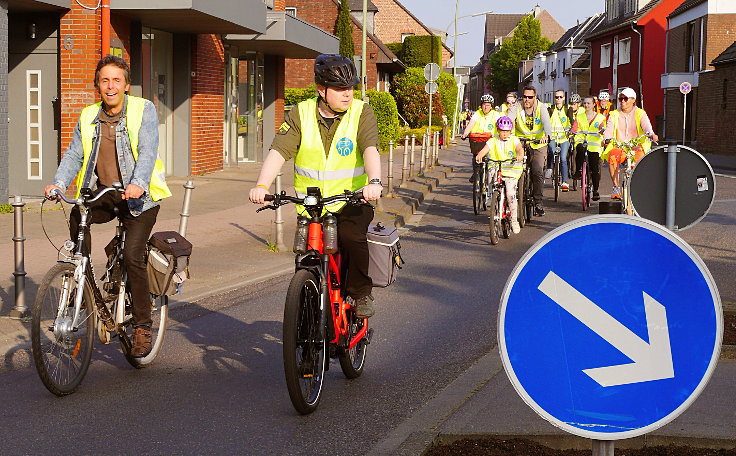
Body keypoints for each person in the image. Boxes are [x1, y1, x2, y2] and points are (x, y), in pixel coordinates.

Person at [44, 55, 171, 358]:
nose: (110, 86)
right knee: (78, 217)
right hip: (105, 192)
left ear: (126, 85)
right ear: (97, 86)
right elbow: (74, 154)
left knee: (132, 256)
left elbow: (149, 149)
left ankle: (142, 324)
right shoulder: (88, 115)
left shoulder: (144, 109)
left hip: (142, 197)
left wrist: (138, 181)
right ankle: (83, 278)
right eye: (104, 80)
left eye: (116, 80)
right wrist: (59, 184)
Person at [248, 54, 382, 318]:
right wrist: (261, 185)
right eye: (341, 88)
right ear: (322, 90)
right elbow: (279, 151)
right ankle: (309, 309)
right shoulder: (301, 113)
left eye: (351, 87)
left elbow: (370, 149)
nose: (348, 94)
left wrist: (374, 181)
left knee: (351, 237)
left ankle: (360, 293)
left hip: (352, 201)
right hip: (312, 206)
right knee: (306, 255)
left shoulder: (361, 111)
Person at [601, 87, 659, 200]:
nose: (622, 101)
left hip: (636, 146)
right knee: (612, 157)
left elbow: (647, 127)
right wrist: (606, 138)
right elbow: (609, 129)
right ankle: (616, 187)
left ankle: (638, 187)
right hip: (619, 145)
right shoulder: (614, 114)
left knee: (640, 163)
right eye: (620, 99)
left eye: (625, 98)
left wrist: (652, 135)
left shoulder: (640, 113)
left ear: (633, 100)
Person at [475, 116, 524, 233]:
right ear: (498, 130)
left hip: (511, 170)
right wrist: (480, 155)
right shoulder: (493, 140)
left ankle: (514, 220)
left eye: (507, 131)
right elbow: (485, 149)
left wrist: (520, 155)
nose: (505, 134)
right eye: (502, 131)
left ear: (510, 131)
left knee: (511, 194)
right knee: (490, 176)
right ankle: (491, 195)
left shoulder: (514, 139)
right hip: (497, 168)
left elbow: (519, 148)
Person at [507, 85, 551, 216]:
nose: (527, 100)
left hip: (538, 144)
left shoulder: (541, 108)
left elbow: (547, 124)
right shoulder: (517, 106)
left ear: (535, 97)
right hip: (521, 142)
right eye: (525, 97)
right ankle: (511, 197)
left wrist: (547, 136)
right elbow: (508, 119)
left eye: (530, 97)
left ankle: (538, 202)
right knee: (513, 168)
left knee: (537, 171)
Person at [571, 96, 607, 201]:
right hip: (582, 140)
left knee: (595, 168)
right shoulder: (579, 116)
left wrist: (602, 130)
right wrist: (572, 131)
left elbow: (602, 127)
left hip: (594, 143)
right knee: (580, 149)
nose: (586, 105)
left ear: (594, 105)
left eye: (589, 103)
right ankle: (578, 171)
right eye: (585, 103)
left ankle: (595, 190)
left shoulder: (600, 117)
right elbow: (575, 127)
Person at [461, 94, 499, 182]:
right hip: (478, 140)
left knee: (491, 159)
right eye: (484, 104)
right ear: (481, 105)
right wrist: (465, 133)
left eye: (488, 105)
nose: (486, 107)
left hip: (490, 141)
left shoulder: (496, 115)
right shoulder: (477, 114)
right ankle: (476, 173)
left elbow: (500, 126)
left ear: (491, 106)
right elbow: (471, 124)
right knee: (475, 157)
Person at [546, 89, 572, 191]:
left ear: (564, 98)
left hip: (564, 138)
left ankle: (565, 182)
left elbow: (572, 121)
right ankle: (550, 168)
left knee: (564, 158)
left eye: (561, 97)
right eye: (557, 97)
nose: (559, 99)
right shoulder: (551, 109)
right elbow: (546, 121)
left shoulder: (567, 109)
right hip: (553, 137)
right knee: (552, 151)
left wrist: (570, 130)